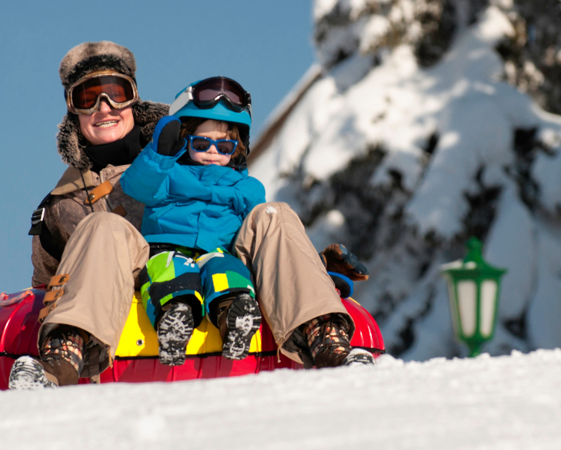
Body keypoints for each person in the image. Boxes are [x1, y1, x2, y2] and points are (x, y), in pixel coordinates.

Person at [9, 42, 372, 391]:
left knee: (272, 213)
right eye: (88, 98)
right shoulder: (63, 204)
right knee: (104, 226)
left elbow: (252, 229)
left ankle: (325, 337)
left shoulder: (184, 143)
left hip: (224, 268)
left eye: (116, 92)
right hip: (137, 285)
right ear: (73, 109)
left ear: (133, 96)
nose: (104, 107)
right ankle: (65, 354)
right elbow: (45, 287)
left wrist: (311, 264)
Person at [120, 77, 266, 366]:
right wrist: (159, 155)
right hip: (167, 247)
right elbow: (136, 187)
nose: (213, 152)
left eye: (224, 147)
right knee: (173, 272)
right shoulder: (169, 174)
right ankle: (175, 317)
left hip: (218, 250)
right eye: (202, 143)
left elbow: (263, 231)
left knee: (229, 271)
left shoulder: (245, 187)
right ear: (184, 140)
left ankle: (235, 315)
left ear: (237, 148)